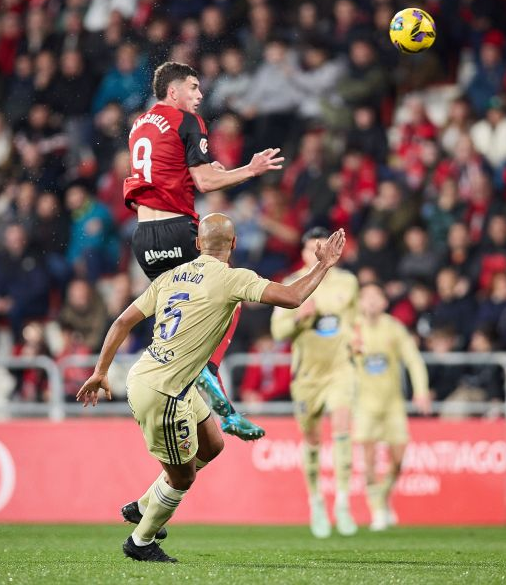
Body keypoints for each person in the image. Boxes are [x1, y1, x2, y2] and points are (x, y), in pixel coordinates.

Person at [77, 215, 346, 562]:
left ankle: (146, 504)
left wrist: (101, 371)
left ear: (198, 244)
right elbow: (293, 297)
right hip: (165, 392)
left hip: (153, 375)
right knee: (182, 477)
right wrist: (323, 265)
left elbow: (122, 321)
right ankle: (140, 542)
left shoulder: (170, 277)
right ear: (233, 245)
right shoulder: (233, 279)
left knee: (212, 444)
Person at [123, 61, 284, 440]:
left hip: (144, 237)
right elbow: (206, 179)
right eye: (193, 87)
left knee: (181, 311)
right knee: (227, 298)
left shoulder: (139, 124)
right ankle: (216, 391)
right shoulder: (186, 121)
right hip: (177, 229)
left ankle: (183, 392)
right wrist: (250, 169)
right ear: (173, 91)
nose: (199, 95)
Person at [270, 227, 360, 539]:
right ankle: (316, 501)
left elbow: (354, 318)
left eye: (321, 248)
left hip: (340, 370)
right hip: (307, 376)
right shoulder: (292, 283)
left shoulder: (348, 282)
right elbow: (278, 333)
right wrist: (298, 318)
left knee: (343, 427)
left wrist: (357, 339)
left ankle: (344, 502)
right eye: (311, 249)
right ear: (304, 252)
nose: (316, 254)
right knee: (311, 440)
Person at [353, 282, 431, 531]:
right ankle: (377, 510)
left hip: (393, 404)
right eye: (367, 297)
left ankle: (383, 497)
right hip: (364, 404)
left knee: (398, 459)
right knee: (369, 460)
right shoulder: (353, 329)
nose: (372, 302)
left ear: (385, 302)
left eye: (377, 296)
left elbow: (413, 359)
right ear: (360, 302)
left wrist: (420, 391)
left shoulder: (394, 328)